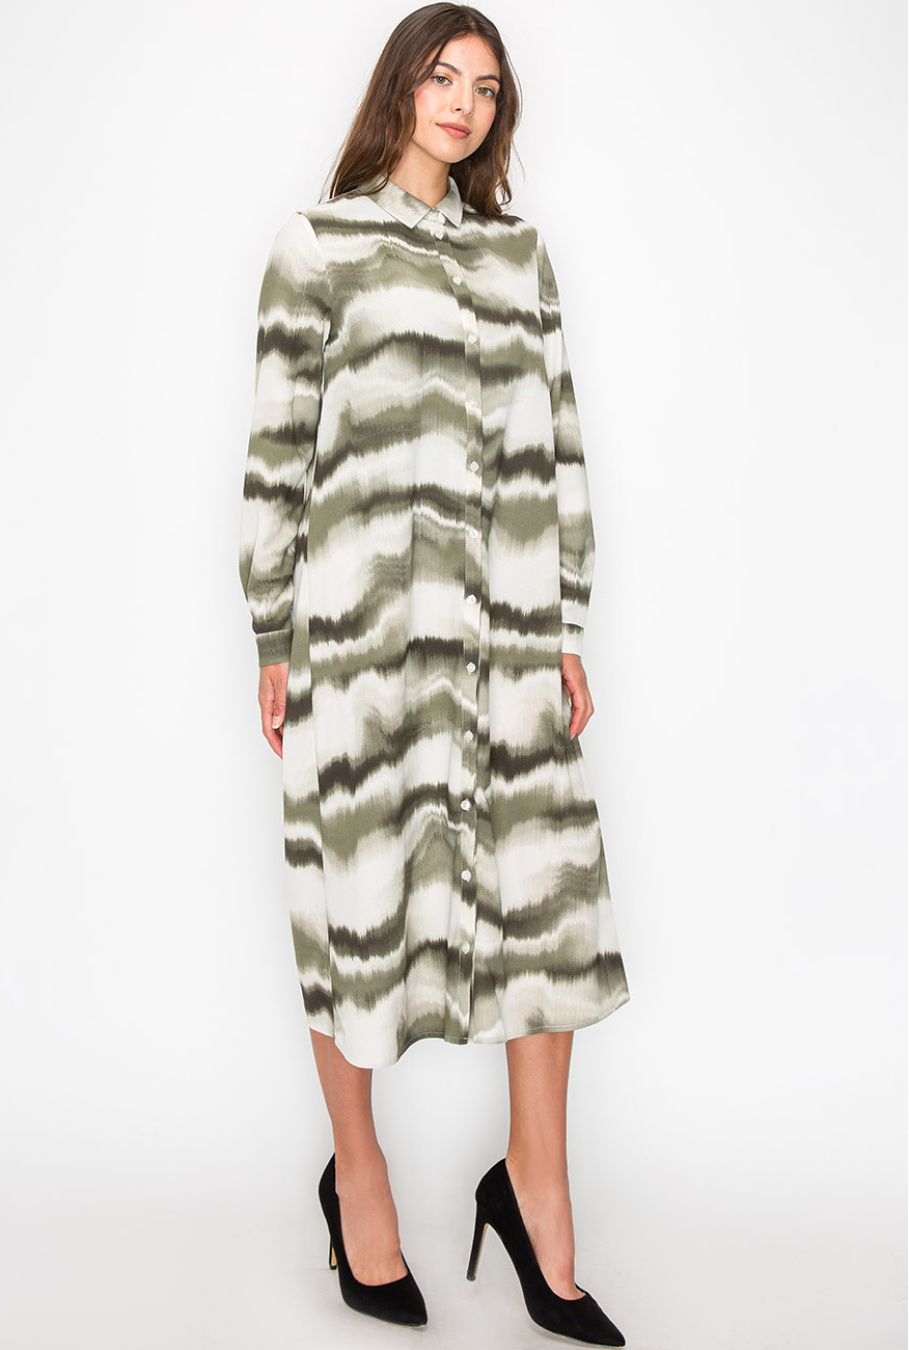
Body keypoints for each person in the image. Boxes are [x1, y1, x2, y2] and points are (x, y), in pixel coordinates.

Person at [238, 4, 630, 1343]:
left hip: (508, 634)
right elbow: (278, 450)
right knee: (356, 907)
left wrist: (564, 620)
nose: (464, 102)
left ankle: (534, 1189)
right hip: (365, 640)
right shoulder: (318, 247)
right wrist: (272, 632)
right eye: (442, 77)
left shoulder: (520, 257)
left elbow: (557, 441)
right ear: (399, 87)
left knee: (548, 906)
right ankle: (357, 1174)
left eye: (487, 87)